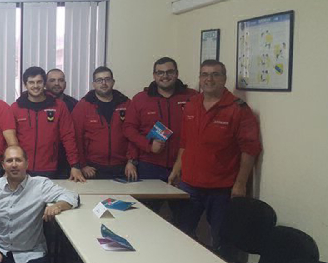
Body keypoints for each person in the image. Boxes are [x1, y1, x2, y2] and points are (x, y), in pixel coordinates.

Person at [168, 60, 262, 247]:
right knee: (182, 235)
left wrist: (240, 184)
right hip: (190, 185)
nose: (209, 79)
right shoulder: (191, 105)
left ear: (224, 79)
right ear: (200, 78)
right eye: (204, 74)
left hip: (222, 189)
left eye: (215, 74)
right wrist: (176, 169)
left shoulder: (239, 109)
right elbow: (185, 143)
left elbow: (249, 150)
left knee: (221, 240)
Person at [123, 57, 197, 212]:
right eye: (160, 72)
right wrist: (148, 146)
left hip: (184, 166)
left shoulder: (193, 98)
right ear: (154, 75)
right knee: (146, 215)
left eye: (169, 72)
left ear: (176, 74)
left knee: (184, 218)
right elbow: (129, 129)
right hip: (150, 166)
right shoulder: (140, 99)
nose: (165, 76)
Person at [11, 66, 85, 181]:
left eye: (39, 82)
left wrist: (74, 165)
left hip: (50, 168)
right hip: (22, 168)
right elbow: (10, 140)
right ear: (25, 85)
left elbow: (68, 137)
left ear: (44, 84)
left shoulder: (59, 106)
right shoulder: (16, 108)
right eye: (31, 82)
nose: (35, 86)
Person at [72, 66, 134, 180]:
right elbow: (77, 138)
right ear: (93, 84)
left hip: (123, 167)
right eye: (99, 80)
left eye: (107, 79)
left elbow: (133, 136)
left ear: (113, 82)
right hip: (93, 168)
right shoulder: (83, 106)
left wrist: (131, 161)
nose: (104, 83)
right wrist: (83, 165)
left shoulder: (126, 104)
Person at [46, 68, 79, 178]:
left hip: (68, 161)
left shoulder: (75, 105)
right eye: (52, 80)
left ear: (65, 84)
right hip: (45, 161)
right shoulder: (37, 103)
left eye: (60, 80)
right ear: (45, 83)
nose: (57, 83)